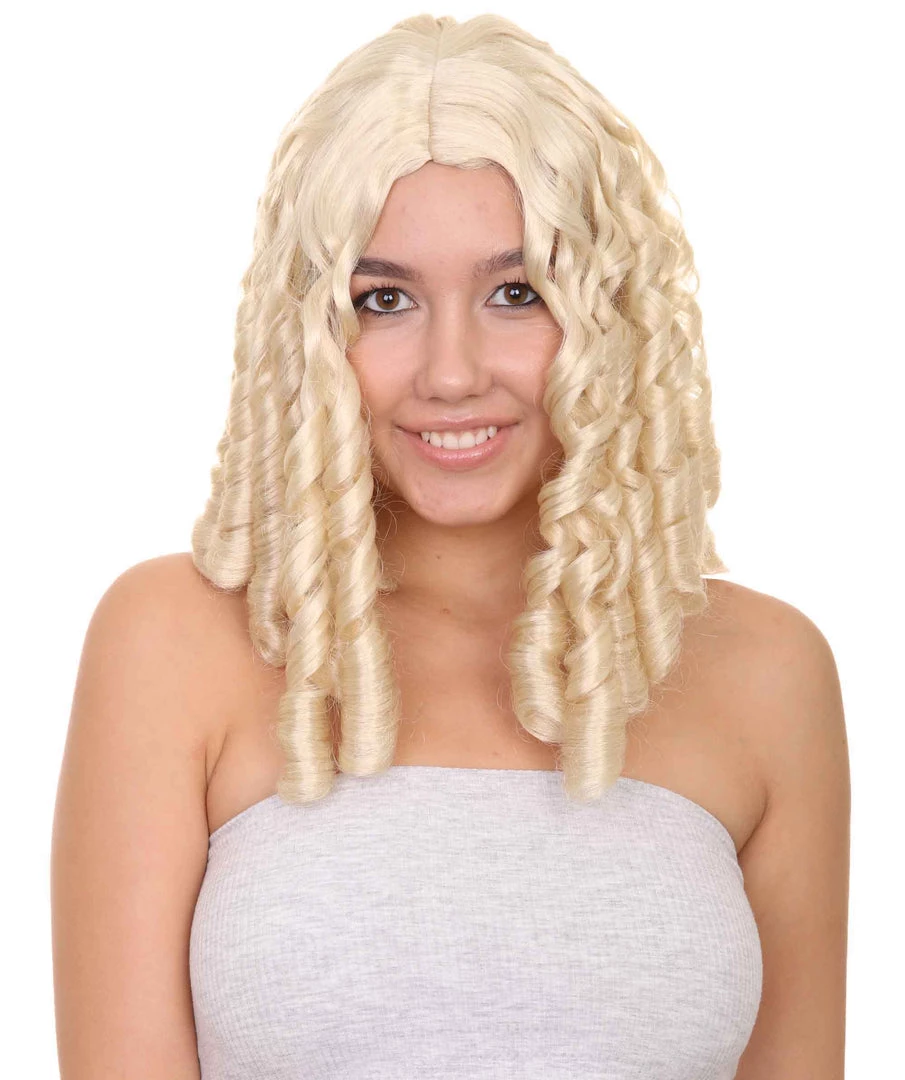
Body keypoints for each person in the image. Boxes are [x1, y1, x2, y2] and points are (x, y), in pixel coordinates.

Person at [51, 13, 850, 1079]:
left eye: (516, 293)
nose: (451, 372)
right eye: (383, 300)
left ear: (609, 316)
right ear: (307, 333)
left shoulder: (764, 671)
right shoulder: (174, 642)